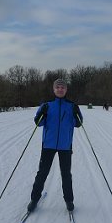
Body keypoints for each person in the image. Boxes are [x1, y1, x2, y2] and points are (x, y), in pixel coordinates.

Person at [27, 78, 83, 213]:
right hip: (48, 145)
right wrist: (42, 113)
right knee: (42, 173)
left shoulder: (71, 106)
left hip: (65, 146)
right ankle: (34, 199)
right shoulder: (47, 105)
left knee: (66, 174)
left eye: (62, 87)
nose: (60, 89)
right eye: (57, 87)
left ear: (66, 90)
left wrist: (76, 113)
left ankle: (69, 200)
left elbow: (79, 124)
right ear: (54, 89)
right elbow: (38, 123)